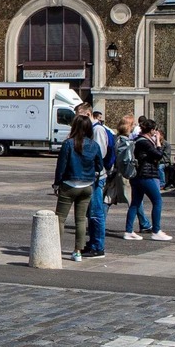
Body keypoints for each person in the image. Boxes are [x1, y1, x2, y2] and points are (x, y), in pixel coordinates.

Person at [53, 114, 103, 262]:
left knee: (60, 219)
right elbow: (100, 166)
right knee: (80, 220)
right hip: (87, 185)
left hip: (69, 185)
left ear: (74, 127)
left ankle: (55, 249)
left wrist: (57, 183)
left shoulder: (68, 143)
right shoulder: (94, 145)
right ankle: (77, 252)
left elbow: (61, 166)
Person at [124, 117, 172, 241]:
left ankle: (129, 231)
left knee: (135, 203)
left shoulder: (138, 140)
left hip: (138, 176)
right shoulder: (144, 142)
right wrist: (158, 143)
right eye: (155, 130)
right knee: (157, 201)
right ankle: (156, 230)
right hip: (146, 175)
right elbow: (158, 155)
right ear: (151, 130)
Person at [79, 104, 112, 258]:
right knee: (91, 212)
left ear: (88, 113)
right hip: (92, 175)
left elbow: (100, 153)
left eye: (79, 115)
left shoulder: (97, 130)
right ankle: (93, 243)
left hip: (97, 177)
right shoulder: (90, 129)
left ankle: (98, 246)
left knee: (96, 212)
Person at [114, 114, 152, 233]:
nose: (135, 126)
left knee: (134, 200)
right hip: (125, 173)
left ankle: (144, 223)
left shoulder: (119, 138)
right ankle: (141, 225)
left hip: (120, 172)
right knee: (133, 200)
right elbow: (126, 159)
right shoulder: (124, 141)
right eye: (133, 124)